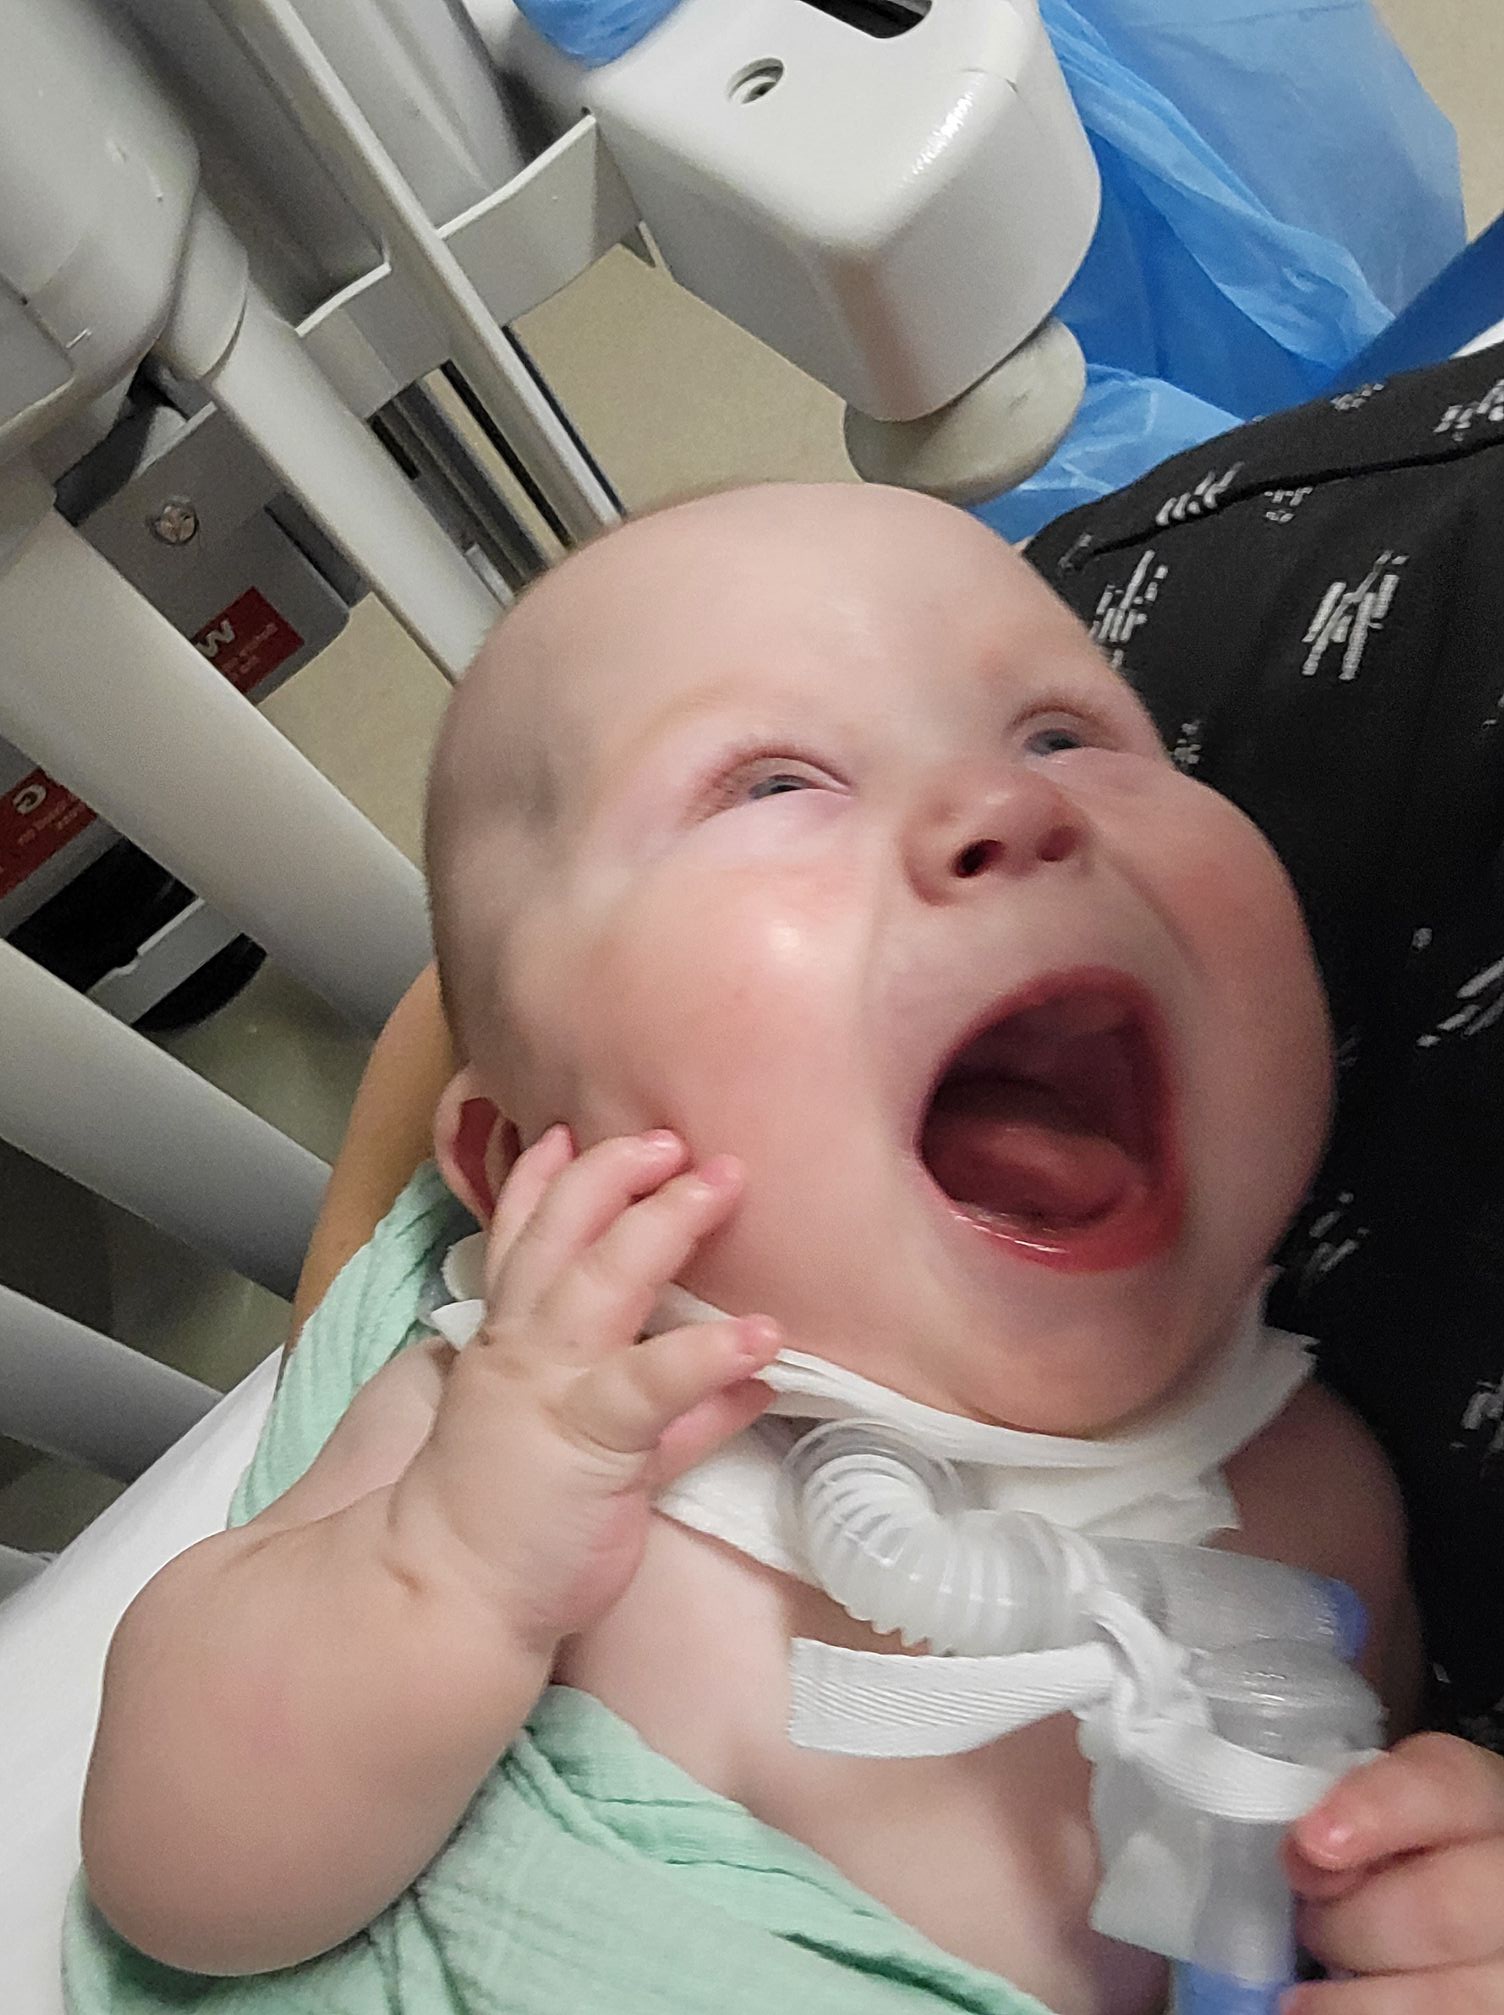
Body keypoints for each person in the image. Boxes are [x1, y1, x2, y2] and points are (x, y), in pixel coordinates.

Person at [73, 484, 1493, 2014]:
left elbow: (1331, 1903)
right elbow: (185, 1882)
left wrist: (1430, 1894)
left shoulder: (1329, 1495)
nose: (1005, 807)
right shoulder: (512, 1437)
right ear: (525, 1165)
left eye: (1063, 735)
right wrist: (450, 1569)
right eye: (771, 784)